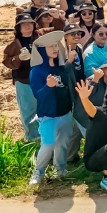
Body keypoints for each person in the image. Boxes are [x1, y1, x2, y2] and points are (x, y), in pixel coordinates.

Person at [28, 31, 74, 185]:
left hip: (65, 113)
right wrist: (48, 86)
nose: (55, 49)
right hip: (48, 115)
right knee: (48, 144)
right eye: (51, 47)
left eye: (56, 45)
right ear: (42, 50)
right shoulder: (37, 71)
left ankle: (60, 169)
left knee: (63, 144)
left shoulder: (60, 67)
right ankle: (38, 172)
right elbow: (38, 95)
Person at [3, 13, 40, 141]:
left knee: (42, 108)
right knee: (28, 110)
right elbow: (6, 61)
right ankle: (31, 137)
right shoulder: (14, 45)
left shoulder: (39, 39)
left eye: (29, 23)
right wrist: (17, 58)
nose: (27, 26)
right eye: (23, 24)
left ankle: (43, 136)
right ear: (18, 28)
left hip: (41, 79)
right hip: (23, 80)